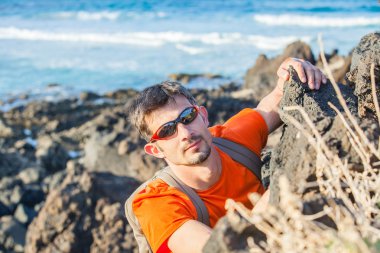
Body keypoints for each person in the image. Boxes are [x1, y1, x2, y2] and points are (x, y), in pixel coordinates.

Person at [126, 58, 327, 253]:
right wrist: (278, 193)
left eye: (187, 117)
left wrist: (293, 68)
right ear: (156, 150)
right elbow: (220, 249)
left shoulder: (232, 141)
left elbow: (277, 99)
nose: (186, 133)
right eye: (167, 131)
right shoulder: (156, 202)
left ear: (203, 116)